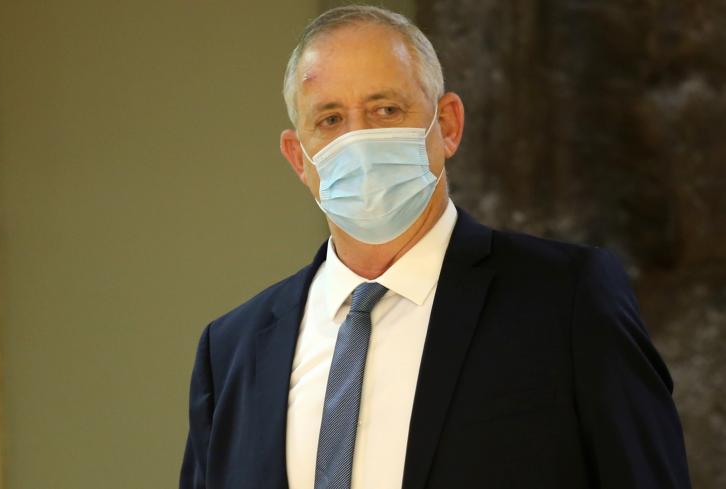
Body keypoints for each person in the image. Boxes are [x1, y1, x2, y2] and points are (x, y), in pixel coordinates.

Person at [180, 5, 692, 489]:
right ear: (298, 157)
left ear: (446, 125)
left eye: (386, 108)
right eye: (331, 119)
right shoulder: (231, 352)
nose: (358, 139)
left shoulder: (567, 301)